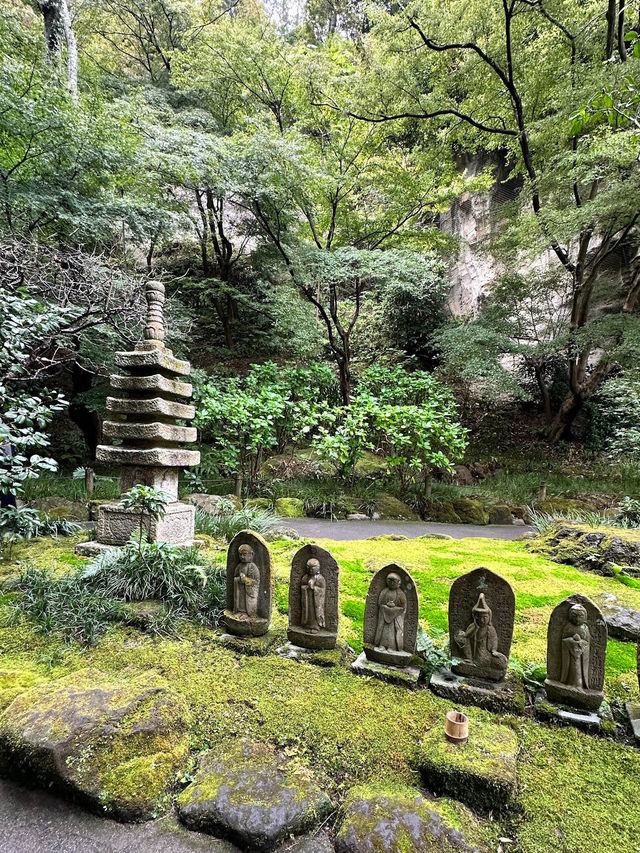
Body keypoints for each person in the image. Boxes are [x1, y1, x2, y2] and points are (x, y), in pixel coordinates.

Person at [455, 593, 507, 672]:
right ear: (475, 617)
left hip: (485, 653)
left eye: (485, 617)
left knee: (502, 663)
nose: (482, 620)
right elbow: (466, 636)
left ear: (489, 618)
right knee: (465, 639)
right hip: (472, 653)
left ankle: (483, 666)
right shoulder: (473, 626)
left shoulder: (490, 629)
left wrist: (494, 651)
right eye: (480, 618)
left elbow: (494, 640)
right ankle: (468, 659)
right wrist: (475, 627)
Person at [560, 603, 590, 689]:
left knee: (578, 669)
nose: (577, 619)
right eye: (574, 616)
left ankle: (579, 685)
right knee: (570, 669)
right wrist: (571, 641)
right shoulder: (568, 627)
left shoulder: (584, 628)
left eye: (580, 616)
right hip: (570, 653)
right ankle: (569, 684)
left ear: (584, 617)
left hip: (579, 655)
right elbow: (563, 641)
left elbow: (587, 643)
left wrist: (579, 642)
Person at [374, 572, 407, 652]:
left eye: (394, 581)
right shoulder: (384, 592)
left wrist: (394, 608)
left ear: (398, 583)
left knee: (392, 632)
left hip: (395, 619)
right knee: (384, 632)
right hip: (384, 617)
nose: (391, 583)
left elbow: (403, 607)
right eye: (389, 581)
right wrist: (386, 606)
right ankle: (382, 645)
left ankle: (392, 647)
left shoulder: (400, 594)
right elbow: (380, 603)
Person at [232, 544, 260, 618]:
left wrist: (246, 580)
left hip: (249, 592)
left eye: (244, 554)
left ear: (251, 554)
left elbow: (256, 582)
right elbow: (235, 578)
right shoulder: (239, 566)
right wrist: (238, 580)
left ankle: (248, 613)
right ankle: (240, 611)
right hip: (240, 589)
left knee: (246, 601)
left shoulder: (253, 567)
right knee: (241, 601)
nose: (242, 557)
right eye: (240, 555)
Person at [300, 558, 326, 633]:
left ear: (318, 568)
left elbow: (322, 589)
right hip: (307, 599)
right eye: (309, 568)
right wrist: (306, 587)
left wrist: (314, 588)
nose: (311, 570)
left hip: (316, 601)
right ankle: (308, 625)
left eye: (313, 568)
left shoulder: (320, 578)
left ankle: (316, 627)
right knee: (308, 612)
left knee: (315, 613)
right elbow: (302, 586)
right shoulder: (305, 577)